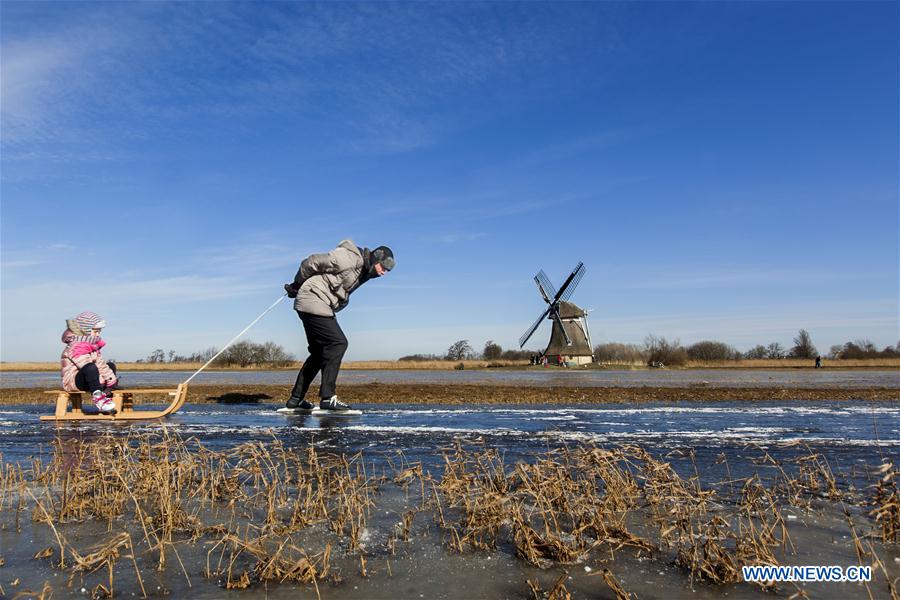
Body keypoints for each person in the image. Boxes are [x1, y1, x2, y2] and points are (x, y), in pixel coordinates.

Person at [283, 240, 395, 411]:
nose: (383, 273)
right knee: (338, 343)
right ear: (376, 258)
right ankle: (328, 397)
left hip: (318, 304)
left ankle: (296, 399)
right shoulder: (350, 258)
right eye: (383, 267)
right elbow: (312, 261)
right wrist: (297, 284)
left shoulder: (363, 272)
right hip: (312, 299)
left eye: (387, 270)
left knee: (319, 353)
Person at [60, 311, 119, 414]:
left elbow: (101, 365)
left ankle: (107, 394)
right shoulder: (76, 347)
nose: (98, 334)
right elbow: (86, 365)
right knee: (90, 367)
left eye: (99, 331)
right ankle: (98, 398)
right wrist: (102, 380)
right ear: (86, 330)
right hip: (74, 381)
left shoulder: (93, 346)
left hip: (90, 378)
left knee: (110, 365)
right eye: (95, 331)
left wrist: (111, 381)